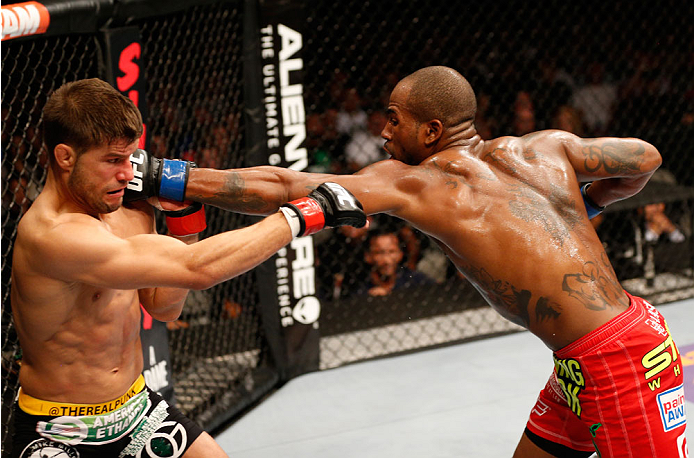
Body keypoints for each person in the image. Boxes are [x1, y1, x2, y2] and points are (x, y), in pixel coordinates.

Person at [155, 65, 687, 457]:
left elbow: (283, 184)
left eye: (393, 120)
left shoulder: (414, 182)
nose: (382, 133)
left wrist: (169, 177)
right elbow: (645, 156)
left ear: (431, 131)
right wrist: (590, 203)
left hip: (620, 361)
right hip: (589, 356)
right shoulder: (545, 147)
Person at [9, 78, 366, 458]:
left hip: (136, 411)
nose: (126, 174)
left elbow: (164, 306)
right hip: (61, 432)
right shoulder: (53, 236)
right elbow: (197, 270)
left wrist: (184, 223)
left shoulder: (125, 205)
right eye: (112, 161)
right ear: (65, 157)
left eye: (130, 159)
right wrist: (305, 214)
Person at [352, 229, 433, 297]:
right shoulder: (360, 289)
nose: (387, 260)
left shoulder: (416, 280)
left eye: (392, 252)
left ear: (400, 254)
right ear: (368, 256)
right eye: (379, 253)